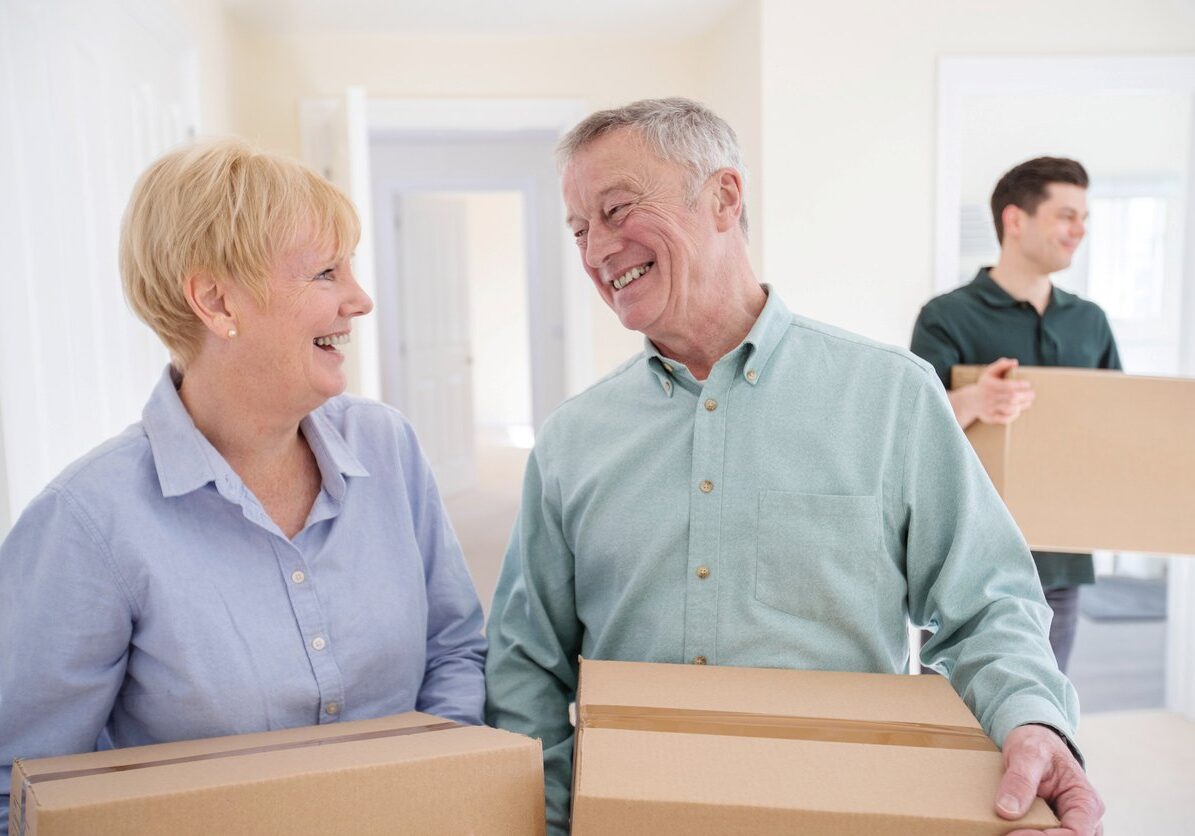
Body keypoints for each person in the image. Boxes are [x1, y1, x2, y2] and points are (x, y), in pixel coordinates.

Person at [485, 99, 1104, 835]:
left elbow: (987, 603)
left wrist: (1034, 719)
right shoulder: (571, 439)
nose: (595, 252)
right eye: (580, 229)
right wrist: (551, 819)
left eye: (617, 211)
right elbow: (527, 662)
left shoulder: (890, 396)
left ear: (722, 198)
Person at [0, 139, 487, 831]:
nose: (360, 299)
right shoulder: (86, 521)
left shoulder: (388, 447)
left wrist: (438, 789)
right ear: (215, 299)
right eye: (326, 272)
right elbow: (23, 789)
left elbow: (455, 648)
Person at [910, 157, 1122, 674]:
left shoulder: (1090, 322)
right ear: (1015, 220)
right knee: (961, 718)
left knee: (1047, 712)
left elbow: (1116, 433)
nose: (1079, 231)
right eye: (1067, 215)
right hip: (966, 560)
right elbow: (908, 435)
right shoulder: (946, 316)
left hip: (1060, 557)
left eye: (1084, 219)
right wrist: (970, 403)